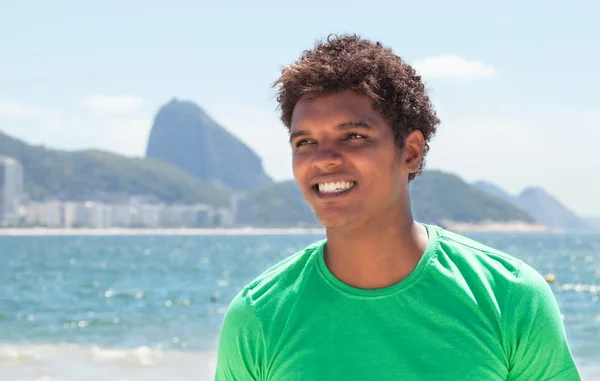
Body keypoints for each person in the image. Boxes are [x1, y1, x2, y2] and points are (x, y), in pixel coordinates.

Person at [214, 34, 581, 380]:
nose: (323, 159)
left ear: (410, 151)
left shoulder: (510, 297)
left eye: (353, 136)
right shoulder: (259, 317)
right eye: (305, 142)